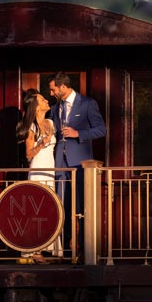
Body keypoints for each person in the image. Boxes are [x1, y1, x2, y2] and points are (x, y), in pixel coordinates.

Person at [48, 72, 106, 256]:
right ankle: (63, 249)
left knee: (82, 205)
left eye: (53, 89)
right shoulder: (55, 108)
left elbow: (101, 130)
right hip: (59, 164)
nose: (51, 93)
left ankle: (83, 249)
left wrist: (78, 134)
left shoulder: (88, 104)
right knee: (61, 205)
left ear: (63, 87)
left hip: (80, 164)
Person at [16, 88, 61, 258]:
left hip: (50, 170)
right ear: (36, 107)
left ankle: (50, 248)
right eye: (43, 100)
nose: (47, 101)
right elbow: (28, 154)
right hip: (38, 170)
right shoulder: (31, 128)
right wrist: (42, 143)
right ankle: (34, 250)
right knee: (36, 210)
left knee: (50, 208)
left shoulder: (50, 123)